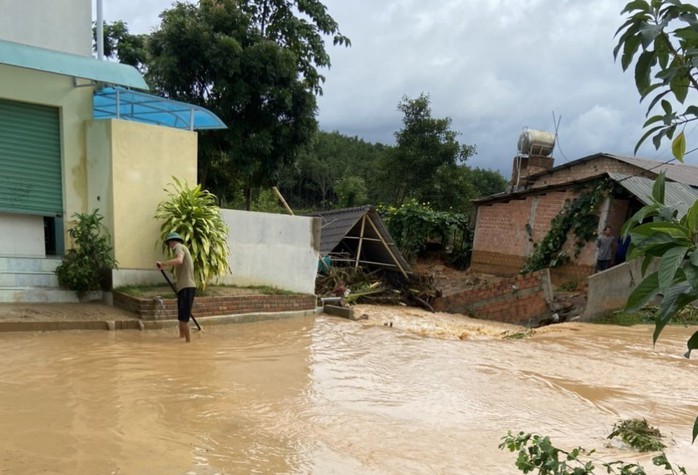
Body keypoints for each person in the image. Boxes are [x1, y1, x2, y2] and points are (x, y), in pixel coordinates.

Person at [156, 232, 195, 343]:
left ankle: (188, 344)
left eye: (168, 244)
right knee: (181, 318)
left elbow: (179, 260)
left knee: (184, 318)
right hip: (184, 287)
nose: (169, 246)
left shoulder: (178, 247)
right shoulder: (182, 248)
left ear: (171, 242)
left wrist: (163, 264)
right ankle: (181, 339)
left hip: (187, 287)